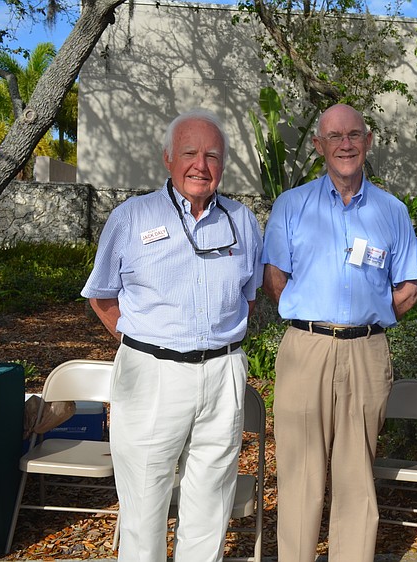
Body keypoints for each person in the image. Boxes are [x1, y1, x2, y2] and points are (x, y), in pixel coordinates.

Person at [81, 108, 264, 562]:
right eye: (189, 153)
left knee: (211, 501)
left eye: (212, 155)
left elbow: (249, 296)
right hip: (151, 373)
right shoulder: (131, 217)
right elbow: (101, 297)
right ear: (167, 158)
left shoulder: (242, 221)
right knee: (143, 504)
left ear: (223, 165)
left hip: (223, 372)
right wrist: (142, 344)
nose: (201, 165)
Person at [262, 103, 417, 562]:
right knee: (300, 475)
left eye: (354, 135)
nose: (345, 144)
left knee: (356, 477)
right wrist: (319, 318)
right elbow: (275, 278)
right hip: (305, 349)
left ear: (368, 142)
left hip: (367, 353)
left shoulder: (392, 211)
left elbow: (409, 285)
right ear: (319, 146)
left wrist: (370, 314)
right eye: (335, 136)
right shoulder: (292, 206)